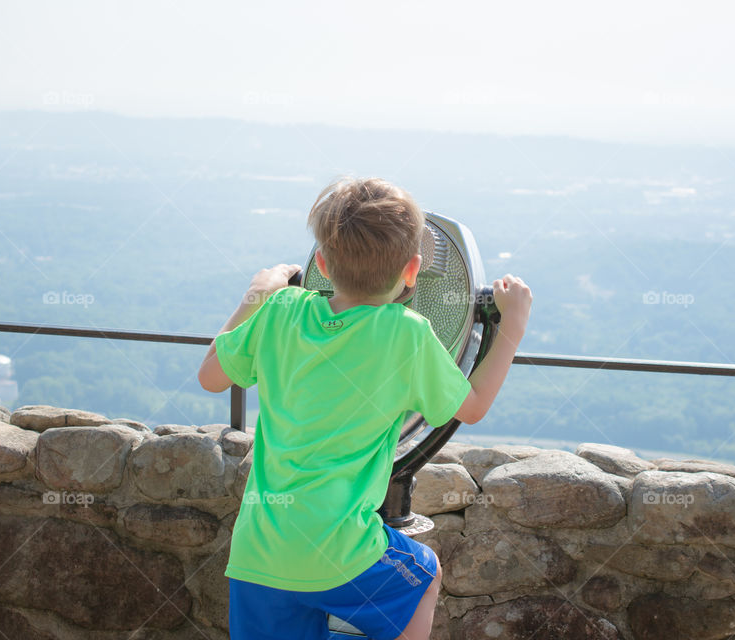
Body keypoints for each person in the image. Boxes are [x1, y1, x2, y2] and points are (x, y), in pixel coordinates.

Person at [198, 177, 532, 640]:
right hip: (341, 553)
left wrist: (256, 297)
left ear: (321, 264)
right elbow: (470, 407)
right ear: (413, 270)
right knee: (425, 573)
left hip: (258, 553)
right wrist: (512, 324)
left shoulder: (280, 310)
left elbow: (211, 375)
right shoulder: (407, 334)